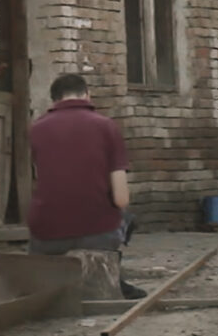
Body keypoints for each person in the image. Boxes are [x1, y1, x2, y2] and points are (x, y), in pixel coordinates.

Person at [27, 73, 146, 299]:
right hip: (97, 235)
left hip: (46, 235)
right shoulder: (106, 126)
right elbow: (121, 198)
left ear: (54, 99)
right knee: (126, 217)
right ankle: (110, 273)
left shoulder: (36, 129)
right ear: (87, 94)